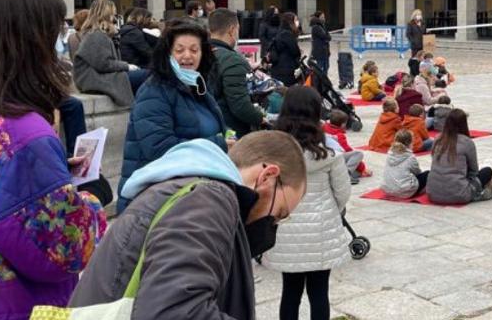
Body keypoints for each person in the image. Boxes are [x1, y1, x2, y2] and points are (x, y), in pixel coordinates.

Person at [69, 132, 307, 319]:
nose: (272, 224)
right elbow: (172, 312)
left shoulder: (194, 190)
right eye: (279, 213)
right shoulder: (209, 199)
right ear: (267, 176)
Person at [0, 0, 106, 320]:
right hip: (14, 305)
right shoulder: (23, 132)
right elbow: (63, 246)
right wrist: (91, 205)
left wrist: (48, 175)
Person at [118, 19, 228, 213]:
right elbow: (159, 148)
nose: (187, 56)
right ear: (167, 53)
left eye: (194, 50)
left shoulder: (197, 87)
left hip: (190, 195)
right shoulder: (154, 91)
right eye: (180, 50)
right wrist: (219, 145)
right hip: (154, 202)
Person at [266, 86, 352, 320]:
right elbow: (343, 192)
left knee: (290, 292)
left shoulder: (273, 154)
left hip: (286, 229)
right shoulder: (328, 154)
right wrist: (329, 209)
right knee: (319, 293)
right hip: (321, 230)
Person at [73, 0, 148, 106]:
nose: (115, 17)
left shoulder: (97, 34)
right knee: (147, 75)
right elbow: (104, 64)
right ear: (107, 15)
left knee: (146, 76)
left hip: (95, 78)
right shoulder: (96, 35)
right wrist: (127, 66)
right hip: (94, 80)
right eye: (113, 14)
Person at [208, 9, 266, 137]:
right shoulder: (232, 60)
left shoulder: (201, 54)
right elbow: (240, 105)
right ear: (232, 30)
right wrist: (262, 119)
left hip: (208, 128)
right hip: (231, 133)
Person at [426, 109, 492, 204]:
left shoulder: (438, 139)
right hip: (459, 194)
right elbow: (474, 171)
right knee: (487, 171)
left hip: (433, 193)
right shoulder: (467, 142)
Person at [323, 109, 369, 184]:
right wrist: (362, 168)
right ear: (343, 124)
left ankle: (337, 176)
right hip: (336, 156)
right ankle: (346, 174)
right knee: (358, 154)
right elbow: (348, 150)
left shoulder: (324, 127)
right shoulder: (339, 136)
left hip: (327, 158)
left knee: (357, 173)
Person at [382, 129, 429, 198]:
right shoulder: (410, 157)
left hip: (387, 189)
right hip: (404, 191)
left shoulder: (390, 154)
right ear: (410, 143)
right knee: (428, 174)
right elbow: (417, 172)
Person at [269, 12, 302, 86]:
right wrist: (299, 51)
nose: (297, 22)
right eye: (296, 20)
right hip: (285, 71)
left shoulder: (281, 32)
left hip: (279, 70)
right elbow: (295, 51)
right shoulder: (287, 34)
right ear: (290, 22)